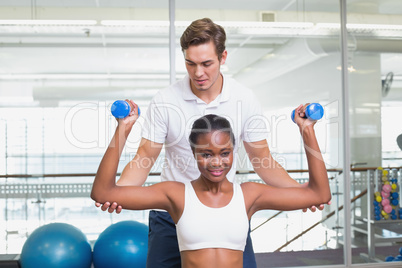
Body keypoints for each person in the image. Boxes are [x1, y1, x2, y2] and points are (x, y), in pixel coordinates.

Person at [96, 18, 328, 268]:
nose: (198, 73)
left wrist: (300, 193)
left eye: (206, 63)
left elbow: (263, 160)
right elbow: (144, 158)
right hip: (171, 212)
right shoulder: (166, 99)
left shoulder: (244, 98)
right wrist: (118, 191)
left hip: (225, 211)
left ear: (223, 57)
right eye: (190, 63)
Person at [91, 113, 331, 268]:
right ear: (193, 154)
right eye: (206, 154)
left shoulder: (249, 195)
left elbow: (319, 194)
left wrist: (307, 131)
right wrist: (123, 129)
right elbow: (103, 192)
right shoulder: (176, 195)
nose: (217, 162)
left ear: (233, 152)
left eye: (224, 153)